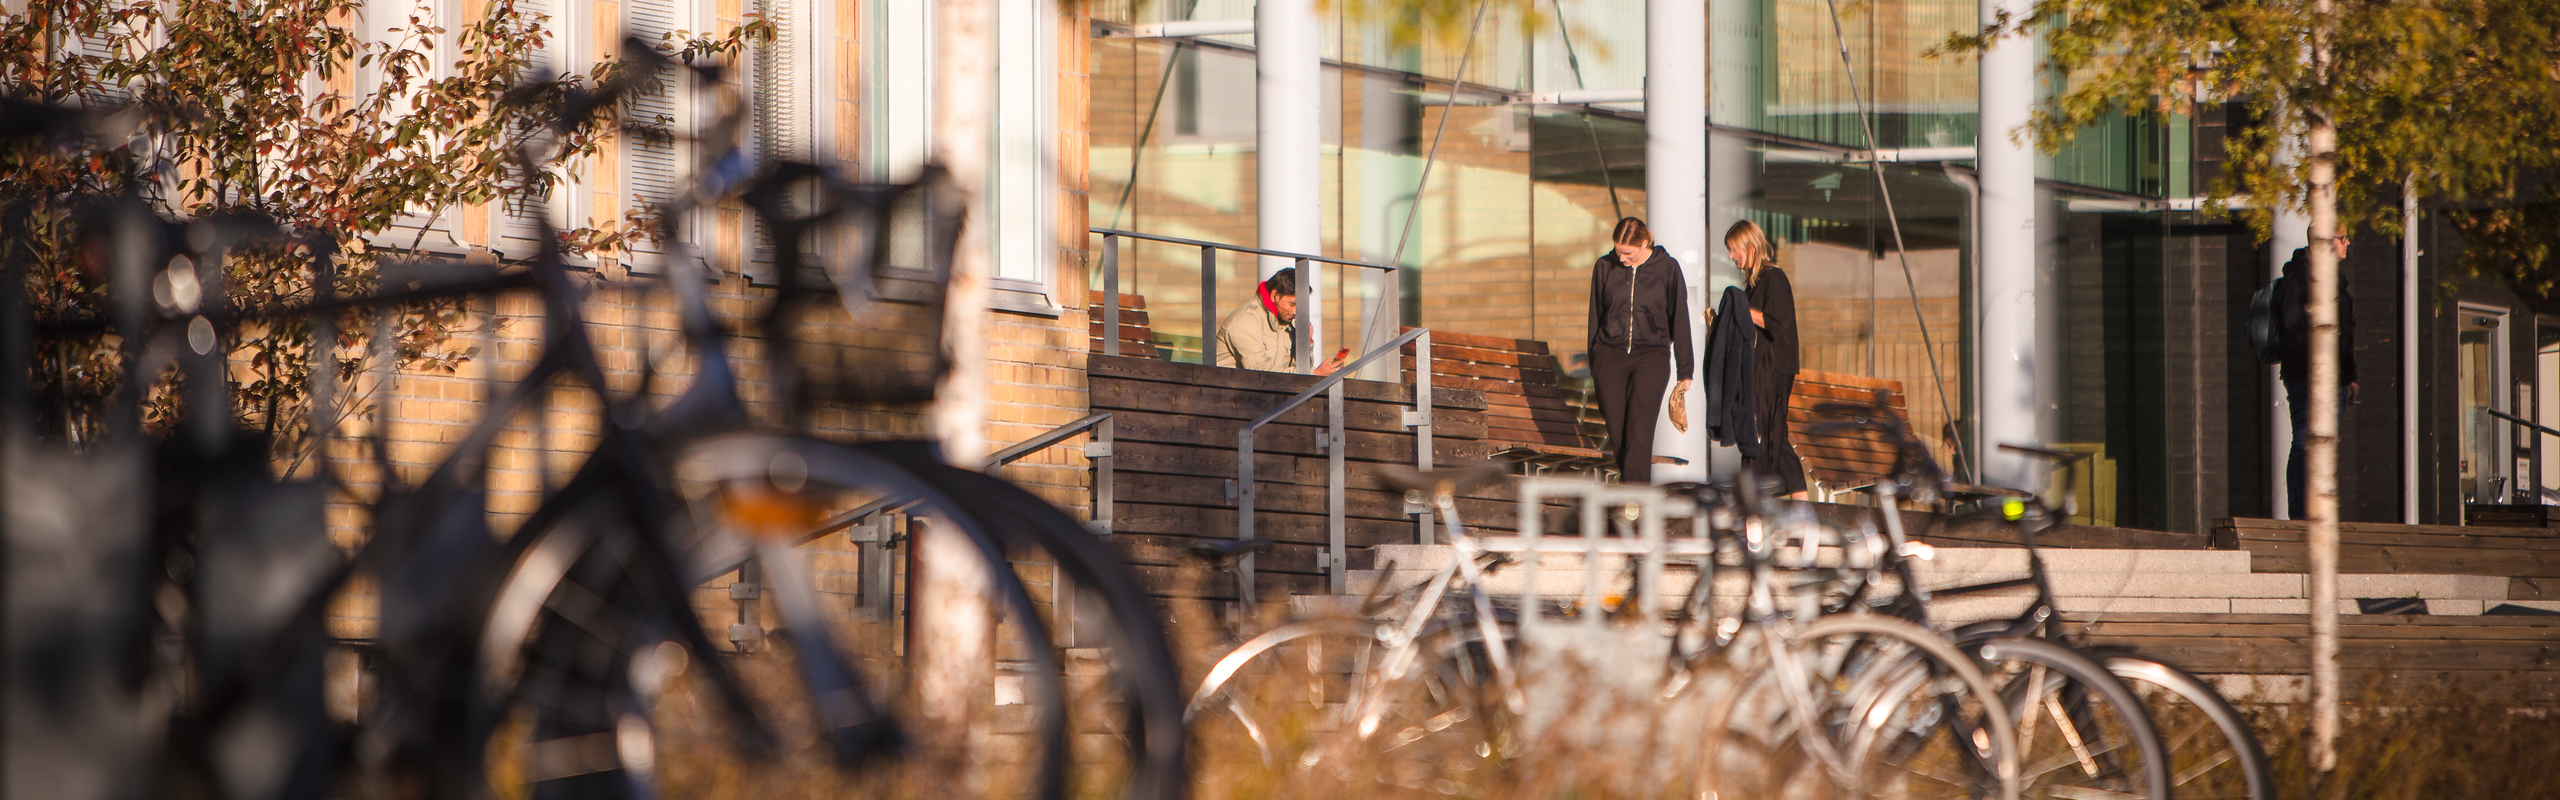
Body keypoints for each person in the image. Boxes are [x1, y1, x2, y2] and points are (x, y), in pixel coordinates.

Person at [1585, 217, 1696, 484]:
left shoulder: (1667, 268)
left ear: (1644, 243)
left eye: (1627, 253)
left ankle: (1633, 499)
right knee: (1618, 434)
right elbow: (1595, 316)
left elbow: (1680, 318)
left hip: (1651, 356)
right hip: (1609, 356)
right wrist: (1595, 360)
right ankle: (1634, 497)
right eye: (1617, 251)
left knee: (1639, 432)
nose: (1621, 258)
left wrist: (1685, 370)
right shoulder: (1604, 267)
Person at [2277, 235, 2358, 520]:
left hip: (2334, 379)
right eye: (2343, 238)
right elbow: (2293, 328)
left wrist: (2349, 376)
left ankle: (2318, 513)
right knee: (2304, 442)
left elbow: (2344, 333)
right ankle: (2302, 516)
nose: (2348, 244)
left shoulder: (2334, 280)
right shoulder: (2300, 277)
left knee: (2323, 446)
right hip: (2308, 377)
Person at [1726, 220, 1806, 498]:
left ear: (1751, 247)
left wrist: (1741, 309)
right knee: (1773, 437)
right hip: (1759, 367)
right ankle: (1801, 507)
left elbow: (1777, 322)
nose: (1731, 256)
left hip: (1771, 367)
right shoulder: (1754, 285)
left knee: (1761, 435)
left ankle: (1758, 504)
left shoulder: (1774, 278)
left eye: (1734, 249)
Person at [1216, 267, 1347, 375]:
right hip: (1226, 394)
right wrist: (1314, 373)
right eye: (1292, 304)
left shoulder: (1285, 323)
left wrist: (1304, 343)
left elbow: (1297, 373)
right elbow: (1257, 370)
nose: (1296, 311)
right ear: (1275, 296)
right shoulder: (1246, 320)